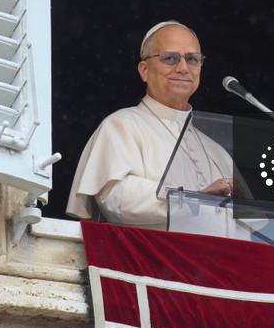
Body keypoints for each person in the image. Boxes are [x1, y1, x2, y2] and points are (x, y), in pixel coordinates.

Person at [66, 20, 237, 230]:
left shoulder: (217, 151)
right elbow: (116, 197)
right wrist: (191, 201)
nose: (183, 68)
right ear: (144, 70)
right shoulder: (121, 126)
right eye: (170, 58)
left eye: (192, 59)